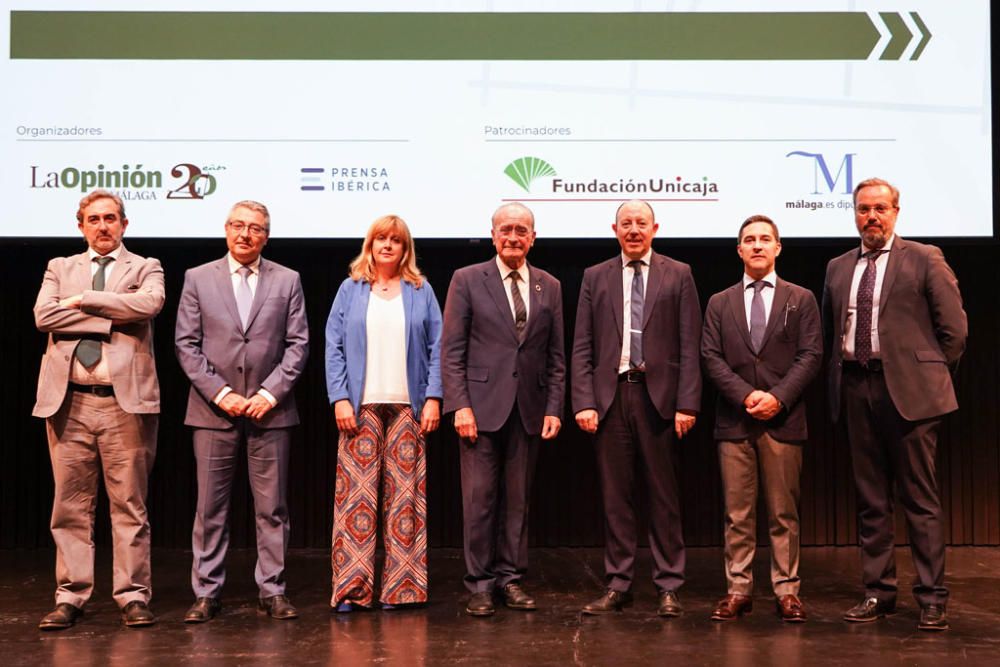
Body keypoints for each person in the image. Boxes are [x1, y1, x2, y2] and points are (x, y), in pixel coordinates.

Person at [823, 177, 966, 631]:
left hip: (911, 396)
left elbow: (955, 332)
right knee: (870, 500)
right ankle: (878, 592)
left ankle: (931, 597)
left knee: (919, 500)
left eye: (880, 208)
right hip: (855, 387)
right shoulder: (837, 266)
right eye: (864, 209)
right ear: (854, 214)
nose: (872, 217)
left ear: (896, 212)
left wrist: (928, 378)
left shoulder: (925, 258)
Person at [33, 189, 164, 630]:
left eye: (111, 218)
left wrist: (82, 301)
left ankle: (132, 596)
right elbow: (43, 317)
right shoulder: (60, 267)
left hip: (123, 404)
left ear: (124, 225)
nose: (103, 226)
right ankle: (70, 596)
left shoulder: (146, 267)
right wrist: (112, 315)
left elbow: (147, 305)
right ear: (81, 225)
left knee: (129, 504)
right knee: (69, 506)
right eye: (94, 219)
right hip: (69, 402)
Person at [175, 200, 309, 622]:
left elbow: (298, 344)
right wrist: (221, 393)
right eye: (237, 225)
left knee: (272, 508)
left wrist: (269, 394)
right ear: (226, 229)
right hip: (213, 413)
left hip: (270, 412)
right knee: (210, 509)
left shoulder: (288, 280)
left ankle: (272, 590)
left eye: (254, 228)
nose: (244, 234)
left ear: (266, 236)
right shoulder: (197, 278)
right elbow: (187, 345)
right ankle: (207, 592)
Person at [572, 199, 701, 617]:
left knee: (664, 497)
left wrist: (687, 403)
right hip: (611, 398)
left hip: (659, 398)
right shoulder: (594, 276)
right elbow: (583, 345)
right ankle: (619, 583)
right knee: (616, 498)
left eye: (640, 223)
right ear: (614, 229)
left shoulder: (679, 274)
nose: (633, 230)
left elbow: (689, 344)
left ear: (654, 228)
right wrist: (583, 401)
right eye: (625, 223)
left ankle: (668, 585)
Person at [441, 202, 565, 617]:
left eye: (521, 230)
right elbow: (452, 350)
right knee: (479, 500)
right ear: (493, 236)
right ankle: (479, 584)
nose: (513, 237)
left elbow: (556, 356)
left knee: (518, 501)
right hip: (479, 409)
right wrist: (459, 405)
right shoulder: (467, 279)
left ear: (533, 237)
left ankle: (510, 579)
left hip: (529, 409)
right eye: (506, 230)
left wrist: (554, 407)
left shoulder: (550, 285)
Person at [701, 214, 822, 623]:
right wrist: (746, 395)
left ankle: (787, 592)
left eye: (765, 239)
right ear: (739, 250)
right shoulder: (719, 302)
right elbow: (711, 358)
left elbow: (811, 356)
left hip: (783, 421)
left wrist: (777, 398)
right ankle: (738, 590)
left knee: (783, 513)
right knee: (737, 514)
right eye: (749, 239)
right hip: (734, 421)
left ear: (777, 248)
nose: (757, 245)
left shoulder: (800, 298)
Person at [325, 214, 442, 611]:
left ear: (405, 248)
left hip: (409, 405)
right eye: (381, 239)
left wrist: (434, 397)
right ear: (370, 245)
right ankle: (352, 590)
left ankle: (402, 589)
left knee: (405, 499)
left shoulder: (420, 289)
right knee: (356, 500)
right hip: (361, 407)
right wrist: (339, 396)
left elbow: (437, 348)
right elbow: (333, 346)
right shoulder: (350, 289)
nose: (388, 245)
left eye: (396, 240)